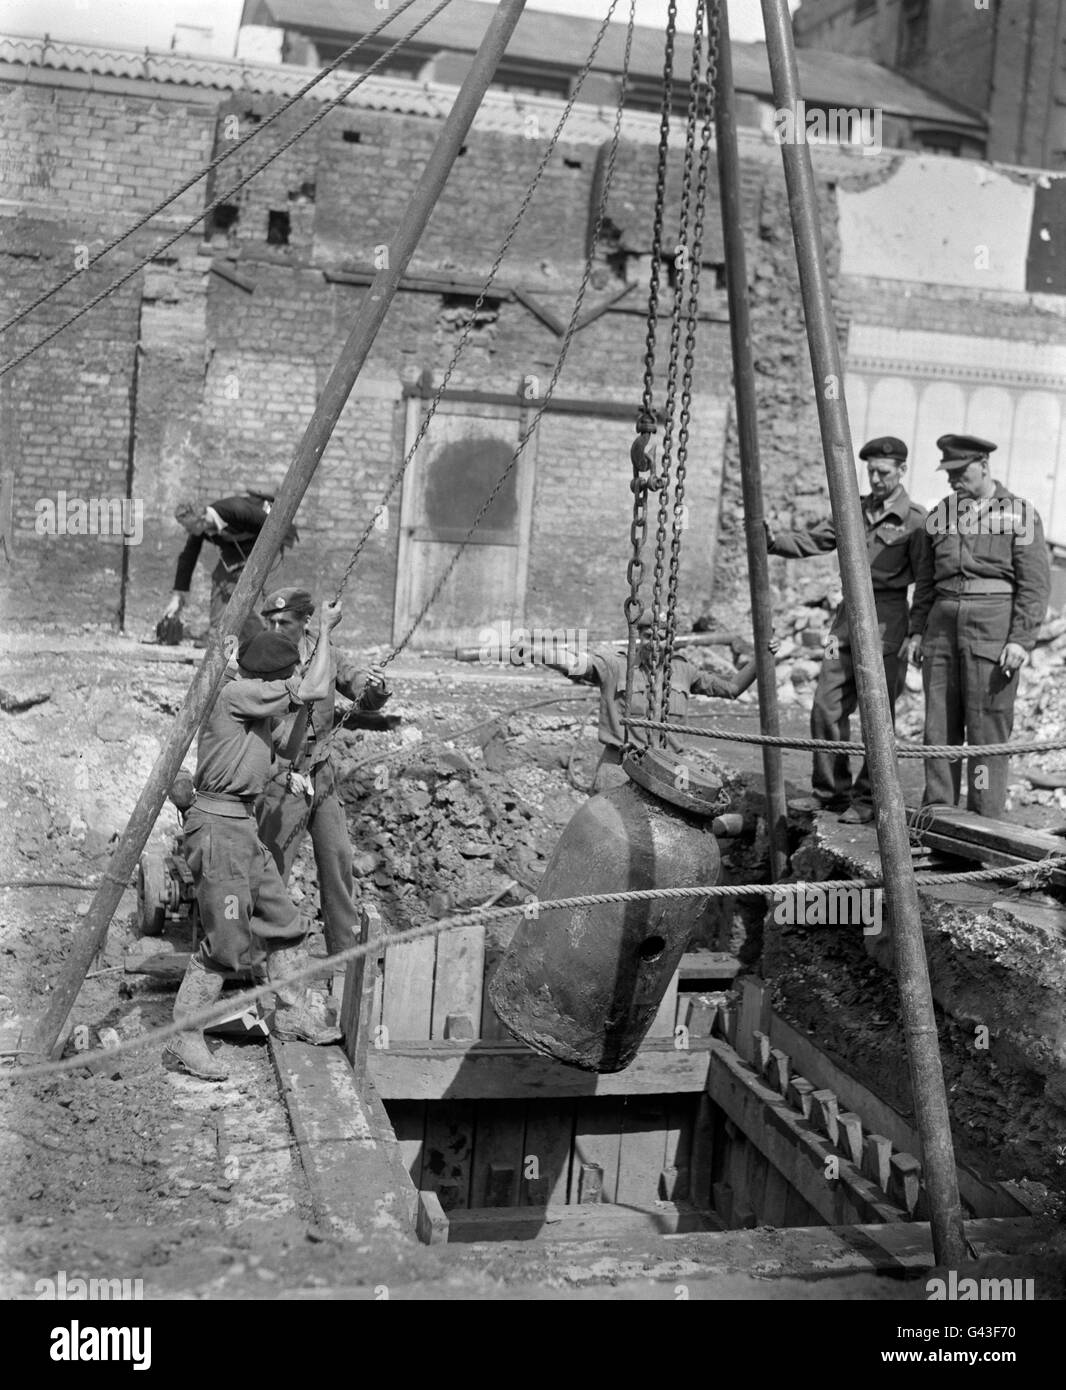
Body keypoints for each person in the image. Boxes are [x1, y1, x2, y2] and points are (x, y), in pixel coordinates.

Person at [164, 607, 344, 1083]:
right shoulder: (236, 694)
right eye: (283, 677)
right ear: (268, 678)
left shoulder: (255, 712)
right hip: (217, 829)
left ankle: (289, 1013)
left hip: (241, 827)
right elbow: (310, 686)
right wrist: (324, 632)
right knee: (226, 944)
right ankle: (184, 1039)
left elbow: (286, 752)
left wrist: (302, 708)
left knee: (283, 923)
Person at [765, 436, 927, 823]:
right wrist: (772, 541)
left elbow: (926, 581)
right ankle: (831, 792)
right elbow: (813, 540)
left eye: (883, 472)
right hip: (845, 622)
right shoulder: (852, 510)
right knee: (826, 703)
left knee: (878, 713)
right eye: (870, 471)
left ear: (902, 470)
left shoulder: (916, 521)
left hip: (888, 620)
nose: (875, 478)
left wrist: (916, 631)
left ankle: (869, 800)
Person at [904, 434, 1050, 818]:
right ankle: (938, 815)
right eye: (947, 473)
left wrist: (1021, 640)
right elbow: (925, 581)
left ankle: (984, 817)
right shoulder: (940, 514)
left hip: (992, 629)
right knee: (939, 726)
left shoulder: (1021, 513)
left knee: (986, 729)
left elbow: (1035, 585)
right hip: (941, 629)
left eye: (959, 471)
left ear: (984, 464)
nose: (952, 480)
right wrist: (917, 630)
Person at [255, 587, 392, 958]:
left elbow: (356, 685)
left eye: (284, 621)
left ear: (305, 622)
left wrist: (377, 688)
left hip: (322, 771)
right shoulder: (266, 655)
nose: (275, 627)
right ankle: (265, 956)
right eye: (270, 620)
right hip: (283, 775)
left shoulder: (324, 647)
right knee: (275, 866)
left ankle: (344, 951)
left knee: (338, 856)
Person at [546, 611, 770, 793]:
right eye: (647, 636)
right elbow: (574, 663)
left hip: (671, 767)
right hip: (620, 766)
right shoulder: (616, 665)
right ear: (638, 637)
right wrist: (535, 653)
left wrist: (763, 655)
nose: (654, 644)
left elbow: (732, 689)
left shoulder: (684, 670)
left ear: (670, 640)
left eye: (661, 638)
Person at [161, 489, 298, 646]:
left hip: (268, 539)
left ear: (201, 519)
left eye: (188, 527)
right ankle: (218, 635)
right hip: (237, 547)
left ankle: (281, 639)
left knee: (271, 591)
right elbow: (188, 557)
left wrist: (260, 562)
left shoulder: (236, 509)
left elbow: (274, 525)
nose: (187, 531)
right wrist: (177, 597)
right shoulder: (201, 529)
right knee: (221, 582)